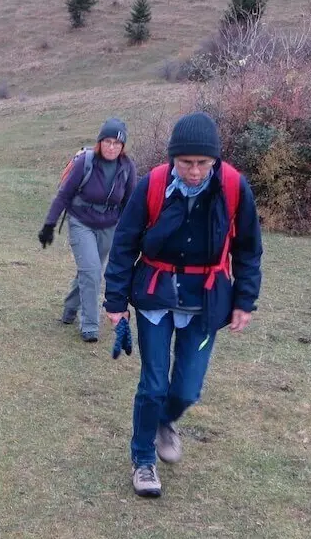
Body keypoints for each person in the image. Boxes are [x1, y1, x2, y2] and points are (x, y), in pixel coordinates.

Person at [102, 112, 263, 498]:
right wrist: (115, 300)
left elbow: (248, 250)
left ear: (215, 161)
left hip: (206, 301)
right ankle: (143, 460)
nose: (193, 171)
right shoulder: (153, 185)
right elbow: (124, 242)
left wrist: (245, 300)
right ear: (173, 158)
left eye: (202, 163)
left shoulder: (234, 188)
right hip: (155, 295)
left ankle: (164, 422)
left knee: (187, 390)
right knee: (154, 385)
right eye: (186, 162)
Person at [38, 119, 137, 343]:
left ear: (123, 146)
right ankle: (89, 324)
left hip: (109, 227)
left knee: (89, 271)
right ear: (100, 142)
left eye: (117, 143)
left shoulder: (127, 168)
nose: (112, 147)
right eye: (108, 141)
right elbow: (64, 194)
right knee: (92, 271)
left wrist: (134, 233)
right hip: (81, 221)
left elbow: (131, 204)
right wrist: (49, 224)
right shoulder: (86, 162)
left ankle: (70, 309)